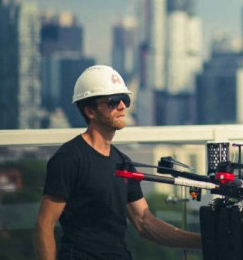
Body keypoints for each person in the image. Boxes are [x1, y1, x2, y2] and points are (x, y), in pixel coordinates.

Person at [34, 65, 202, 259]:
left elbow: (145, 222)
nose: (123, 106)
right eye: (113, 101)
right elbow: (44, 225)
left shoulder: (122, 163)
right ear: (90, 111)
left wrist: (202, 241)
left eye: (125, 99)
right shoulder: (69, 159)